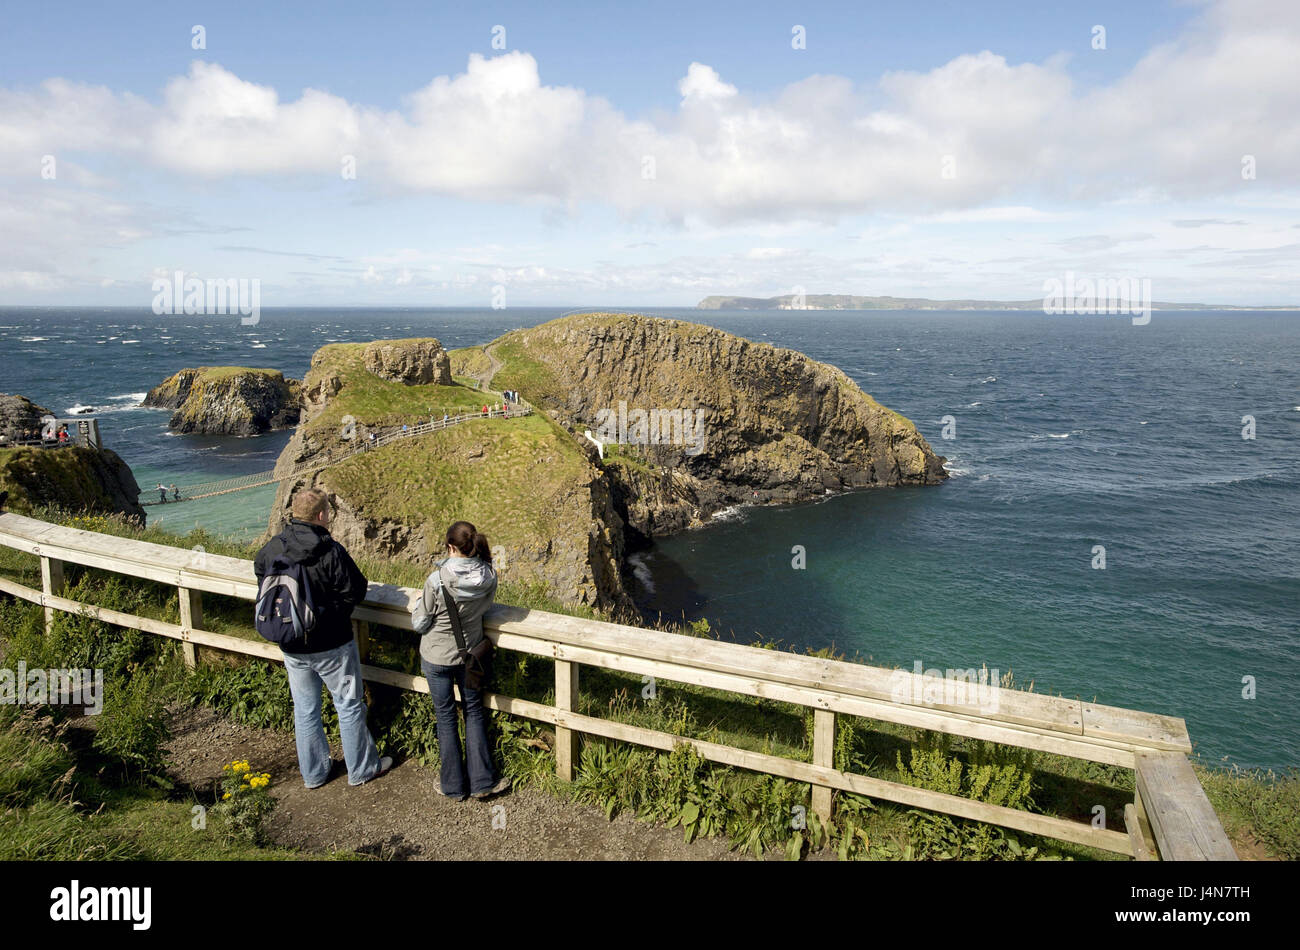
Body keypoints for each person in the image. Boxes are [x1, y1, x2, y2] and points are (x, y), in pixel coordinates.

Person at [254, 488, 392, 788]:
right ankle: (362, 769)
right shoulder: (330, 551)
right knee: (349, 705)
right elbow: (356, 589)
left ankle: (314, 774)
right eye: (328, 513)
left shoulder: (272, 548)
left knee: (305, 709)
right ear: (321, 515)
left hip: (291, 643)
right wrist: (333, 614)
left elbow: (261, 576)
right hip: (332, 644)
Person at [411, 521, 510, 801]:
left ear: (451, 547)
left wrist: (421, 604)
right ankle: (482, 782)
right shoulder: (489, 575)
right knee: (474, 713)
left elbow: (420, 623)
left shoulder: (437, 580)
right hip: (470, 655)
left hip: (436, 656)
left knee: (445, 718)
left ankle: (453, 787)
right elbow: (487, 606)